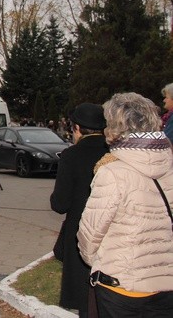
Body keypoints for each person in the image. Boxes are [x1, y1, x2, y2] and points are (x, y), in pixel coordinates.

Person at [78, 92, 173, 317]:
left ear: (114, 126)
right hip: (166, 284)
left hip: (122, 286)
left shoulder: (112, 173)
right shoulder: (169, 166)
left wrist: (101, 262)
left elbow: (90, 234)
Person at [50, 103, 108, 318]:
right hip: (110, 232)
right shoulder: (114, 152)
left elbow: (60, 204)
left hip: (81, 234)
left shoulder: (71, 155)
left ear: (76, 128)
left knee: (86, 300)